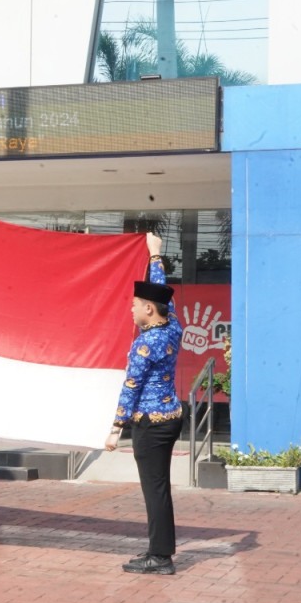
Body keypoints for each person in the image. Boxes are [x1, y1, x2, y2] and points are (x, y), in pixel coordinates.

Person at [106, 233, 183, 575]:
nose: (132, 308)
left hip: (150, 424)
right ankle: (158, 549)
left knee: (155, 490)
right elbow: (163, 290)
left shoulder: (144, 344)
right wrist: (156, 255)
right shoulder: (173, 326)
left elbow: (130, 389)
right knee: (159, 487)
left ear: (148, 310)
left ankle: (161, 557)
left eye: (135, 304)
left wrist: (115, 429)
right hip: (170, 416)